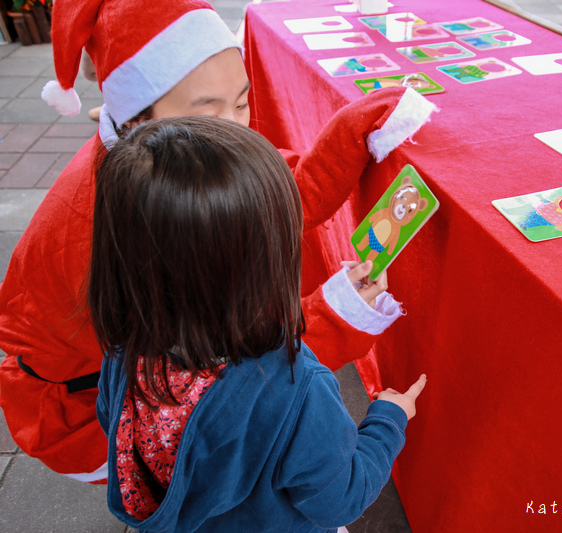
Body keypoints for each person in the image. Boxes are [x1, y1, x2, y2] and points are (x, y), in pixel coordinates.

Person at [0, 0, 435, 483]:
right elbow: (234, 373)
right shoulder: (143, 233)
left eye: (244, 101)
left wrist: (357, 128)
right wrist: (337, 317)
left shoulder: (147, 160)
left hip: (125, 374)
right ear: (139, 121)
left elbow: (282, 195)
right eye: (209, 111)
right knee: (226, 483)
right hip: (96, 415)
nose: (240, 126)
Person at [91, 115, 427, 532]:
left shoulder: (124, 349)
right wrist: (388, 421)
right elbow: (340, 499)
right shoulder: (298, 387)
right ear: (262, 267)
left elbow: (114, 421)